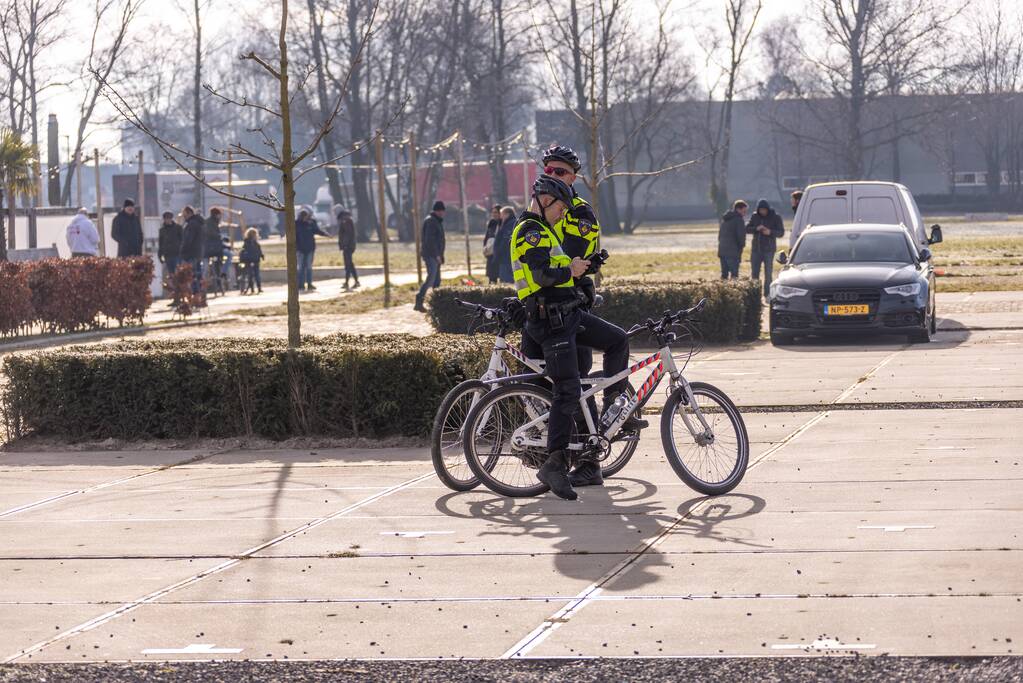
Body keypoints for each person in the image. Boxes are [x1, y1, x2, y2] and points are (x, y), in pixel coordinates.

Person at [512, 174, 637, 500]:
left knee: (617, 340)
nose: (563, 214)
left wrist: (583, 266)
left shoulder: (546, 231)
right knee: (566, 389)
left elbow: (560, 268)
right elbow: (542, 275)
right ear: (543, 199)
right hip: (550, 321)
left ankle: (613, 411)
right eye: (560, 208)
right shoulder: (530, 231)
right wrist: (570, 270)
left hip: (568, 315)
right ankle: (554, 463)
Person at [746, 198, 785, 295]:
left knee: (768, 274)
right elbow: (747, 229)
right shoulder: (755, 216)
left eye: (764, 210)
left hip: (769, 250)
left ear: (767, 209)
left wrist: (770, 232)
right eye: (760, 210)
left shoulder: (776, 217)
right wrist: (756, 228)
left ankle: (767, 294)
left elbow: (781, 232)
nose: (762, 212)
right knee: (754, 274)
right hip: (756, 250)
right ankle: (755, 295)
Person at [414, 200, 446, 311]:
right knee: (431, 278)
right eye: (441, 211)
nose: (443, 213)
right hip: (431, 255)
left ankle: (437, 303)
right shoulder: (431, 221)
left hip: (436, 255)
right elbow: (430, 241)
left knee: (437, 280)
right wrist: (437, 255)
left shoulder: (436, 221)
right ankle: (419, 300)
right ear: (437, 211)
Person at [296, 208, 328, 291]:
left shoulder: (311, 223)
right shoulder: (297, 224)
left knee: (309, 267)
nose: (306, 218)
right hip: (300, 249)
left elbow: (317, 230)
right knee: (301, 267)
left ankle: (309, 284)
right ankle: (300, 284)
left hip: (310, 248)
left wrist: (325, 234)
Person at [717, 199, 747, 279]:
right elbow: (741, 237)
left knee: (724, 275)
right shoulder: (739, 220)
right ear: (738, 209)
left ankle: (723, 291)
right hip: (733, 252)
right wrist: (742, 247)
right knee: (734, 275)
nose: (744, 214)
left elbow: (719, 236)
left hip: (722, 250)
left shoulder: (725, 219)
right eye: (744, 211)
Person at [179, 205, 205, 291]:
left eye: (184, 214)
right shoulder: (198, 223)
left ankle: (196, 293)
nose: (183, 216)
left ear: (189, 213)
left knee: (192, 275)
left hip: (190, 253)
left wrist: (182, 250)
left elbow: (188, 240)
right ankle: (200, 294)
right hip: (198, 252)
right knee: (198, 274)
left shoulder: (191, 224)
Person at [336, 205, 359, 290]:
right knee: (350, 264)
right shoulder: (346, 219)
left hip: (348, 246)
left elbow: (347, 234)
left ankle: (347, 282)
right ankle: (356, 281)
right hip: (349, 246)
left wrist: (344, 245)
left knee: (348, 264)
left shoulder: (345, 220)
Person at [495, 206, 517, 284]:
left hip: (506, 256)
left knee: (506, 280)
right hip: (506, 256)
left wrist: (498, 251)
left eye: (502, 214)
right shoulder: (508, 223)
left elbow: (505, 241)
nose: (501, 217)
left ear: (507, 214)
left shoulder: (510, 224)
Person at [239, 227, 264, 294]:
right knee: (256, 275)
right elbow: (259, 251)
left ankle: (252, 289)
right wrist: (261, 256)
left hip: (248, 261)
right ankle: (259, 288)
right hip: (255, 260)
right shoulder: (256, 243)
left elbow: (242, 251)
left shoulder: (246, 242)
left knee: (250, 275)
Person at [157, 211, 182, 275]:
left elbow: (182, 240)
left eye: (169, 218)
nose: (168, 220)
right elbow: (161, 243)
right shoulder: (162, 230)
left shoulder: (178, 228)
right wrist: (160, 255)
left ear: (171, 218)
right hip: (167, 255)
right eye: (166, 218)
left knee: (177, 273)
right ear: (164, 219)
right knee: (169, 274)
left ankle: (177, 284)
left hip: (177, 254)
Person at [483, 205, 502, 284]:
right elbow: (486, 237)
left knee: (502, 278)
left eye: (496, 212)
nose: (494, 214)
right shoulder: (491, 223)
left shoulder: (503, 224)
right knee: (492, 278)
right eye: (493, 212)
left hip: (499, 254)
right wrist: (485, 249)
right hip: (490, 254)